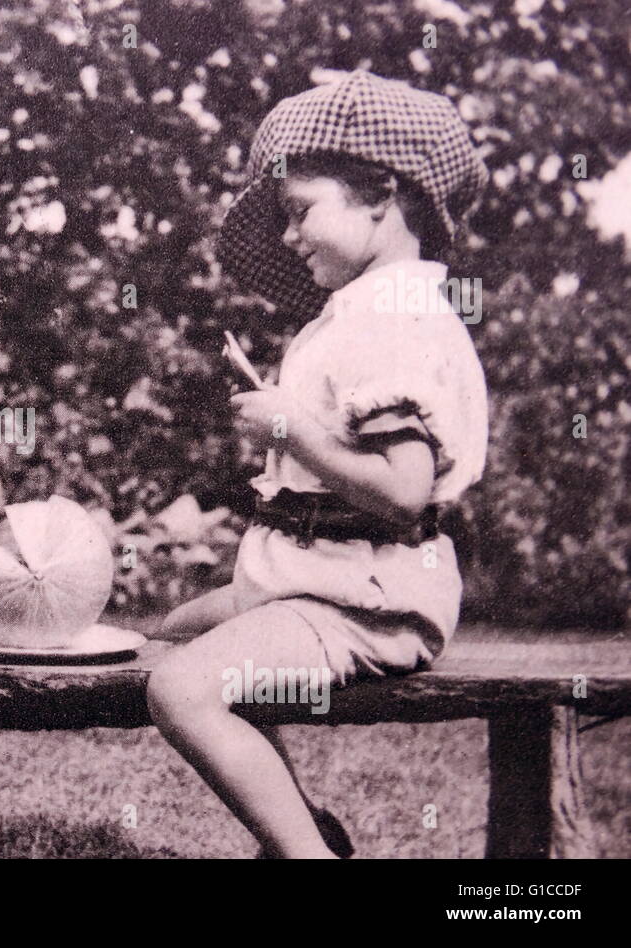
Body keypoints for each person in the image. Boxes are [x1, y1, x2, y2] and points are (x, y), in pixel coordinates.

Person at [147, 71, 490, 858]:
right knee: (176, 633)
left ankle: (300, 856)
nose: (291, 237)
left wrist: (293, 433)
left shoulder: (392, 321)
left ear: (380, 195)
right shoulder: (366, 308)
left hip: (367, 594)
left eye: (301, 212)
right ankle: (305, 826)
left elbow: (404, 493)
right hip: (321, 576)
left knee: (182, 687)